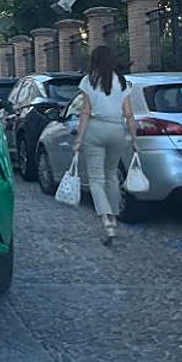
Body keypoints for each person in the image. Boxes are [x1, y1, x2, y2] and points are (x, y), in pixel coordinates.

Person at [73, 44, 138, 245]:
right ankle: (114, 216)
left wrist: (79, 138)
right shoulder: (122, 82)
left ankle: (106, 221)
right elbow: (129, 114)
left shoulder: (88, 81)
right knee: (111, 175)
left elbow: (85, 112)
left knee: (96, 178)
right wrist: (134, 139)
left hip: (95, 129)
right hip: (117, 129)